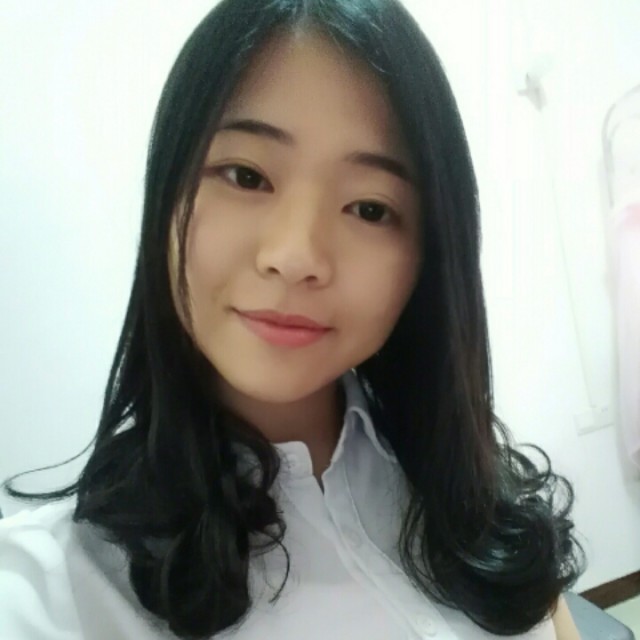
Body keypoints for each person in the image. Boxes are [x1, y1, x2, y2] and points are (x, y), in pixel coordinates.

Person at [0, 0, 586, 638]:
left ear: (429, 255)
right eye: (246, 175)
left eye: (369, 209)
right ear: (167, 191)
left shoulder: (478, 501)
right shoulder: (53, 590)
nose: (295, 256)